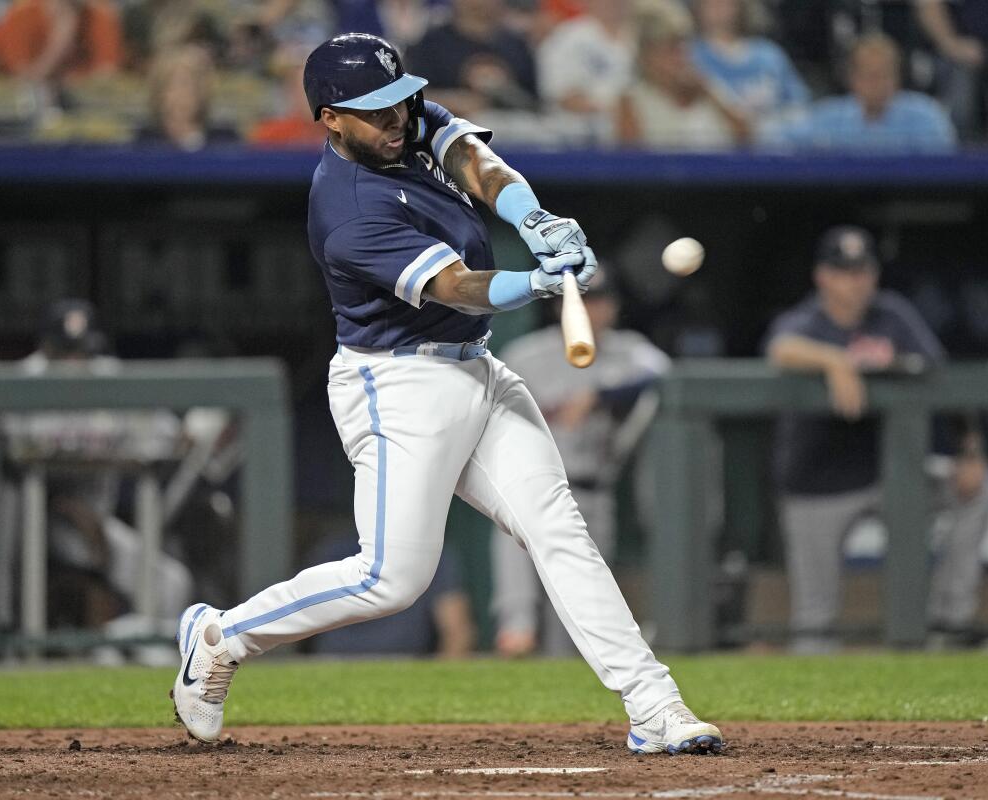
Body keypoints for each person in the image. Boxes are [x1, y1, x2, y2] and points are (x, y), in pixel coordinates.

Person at [170, 32, 723, 756]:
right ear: (330, 118)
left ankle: (655, 705)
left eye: (402, 99)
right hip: (397, 382)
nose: (398, 117)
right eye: (376, 110)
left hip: (477, 369)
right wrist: (536, 282)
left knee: (560, 529)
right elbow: (454, 287)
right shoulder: (348, 208)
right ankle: (221, 636)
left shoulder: (402, 120)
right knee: (391, 579)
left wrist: (533, 219)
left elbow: (476, 159)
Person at [766, 226, 988, 653]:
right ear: (823, 277)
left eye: (862, 270)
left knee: (975, 492)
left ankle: (949, 620)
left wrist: (971, 451)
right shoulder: (808, 319)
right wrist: (834, 360)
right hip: (815, 483)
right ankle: (812, 715)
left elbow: (945, 385)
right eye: (843, 271)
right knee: (815, 623)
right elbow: (780, 348)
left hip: (888, 475)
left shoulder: (893, 316)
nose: (855, 280)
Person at [0, 299, 193, 661]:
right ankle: (10, 652)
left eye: (82, 352)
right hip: (31, 522)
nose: (75, 363)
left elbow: (171, 434)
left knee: (172, 584)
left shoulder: (107, 376)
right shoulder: (23, 382)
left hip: (95, 521)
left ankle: (137, 651)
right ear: (46, 349)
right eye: (65, 353)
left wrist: (192, 431)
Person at [490, 274, 670, 657]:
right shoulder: (527, 354)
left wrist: (600, 395)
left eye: (600, 300)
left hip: (592, 491)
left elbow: (665, 374)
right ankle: (515, 636)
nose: (592, 309)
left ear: (614, 306)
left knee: (576, 618)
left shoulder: (629, 350)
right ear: (560, 306)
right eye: (583, 300)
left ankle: (561, 698)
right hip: (528, 488)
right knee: (518, 615)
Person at [766, 33, 958, 154]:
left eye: (884, 74)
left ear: (897, 78)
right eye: (869, 75)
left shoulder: (926, 116)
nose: (876, 83)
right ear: (852, 78)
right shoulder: (827, 117)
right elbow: (778, 141)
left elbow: (946, 164)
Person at [308, 532, 475, 658]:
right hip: (334, 663)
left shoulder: (433, 555)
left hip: (405, 667)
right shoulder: (335, 551)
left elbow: (458, 632)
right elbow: (300, 619)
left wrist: (436, 685)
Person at [616, 0, 751, 150]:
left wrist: (709, 93)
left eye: (683, 48)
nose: (680, 58)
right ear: (646, 56)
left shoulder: (706, 88)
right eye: (669, 49)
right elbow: (633, 163)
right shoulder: (630, 102)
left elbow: (749, 137)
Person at [913, 0, 988, 141]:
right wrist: (952, 45)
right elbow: (928, 4)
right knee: (962, 91)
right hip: (962, 51)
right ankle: (962, 151)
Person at [405, 0, 539, 118]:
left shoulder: (517, 45)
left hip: (513, 134)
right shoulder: (432, 43)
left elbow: (535, 102)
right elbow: (414, 98)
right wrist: (454, 101)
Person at [690, 0, 810, 129]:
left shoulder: (769, 54)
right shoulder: (691, 56)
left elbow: (799, 103)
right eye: (710, 4)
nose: (718, 8)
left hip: (778, 138)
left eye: (725, 3)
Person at [535, 0, 637, 144]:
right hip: (577, 140)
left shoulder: (641, 36)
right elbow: (564, 96)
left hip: (640, 134)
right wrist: (617, 110)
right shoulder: (567, 38)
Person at [0, 0, 123, 84]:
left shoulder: (98, 16)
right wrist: (57, 45)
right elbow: (20, 82)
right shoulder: (22, 16)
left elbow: (106, 79)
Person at [137, 45, 239, 150]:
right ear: (158, 93)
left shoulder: (224, 140)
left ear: (201, 91)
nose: (180, 94)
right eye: (170, 86)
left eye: (186, 85)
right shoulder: (144, 142)